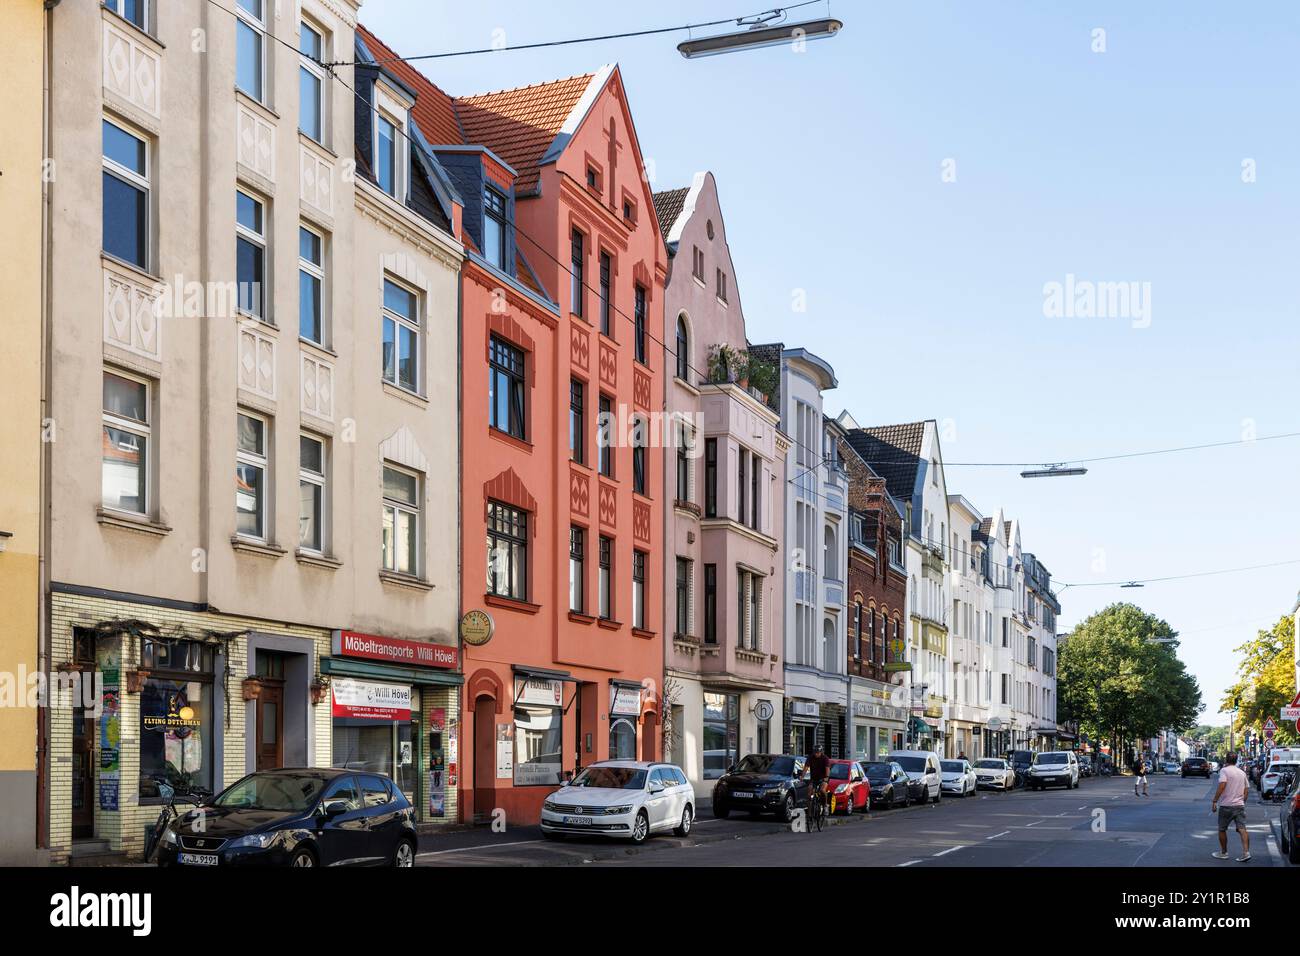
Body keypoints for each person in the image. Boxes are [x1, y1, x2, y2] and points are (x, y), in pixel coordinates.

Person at [1211, 752, 1251, 862]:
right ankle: (1246, 852)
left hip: (1226, 806)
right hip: (1239, 806)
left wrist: (1215, 800)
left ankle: (1224, 853)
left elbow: (1222, 785)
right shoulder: (1242, 772)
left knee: (1222, 829)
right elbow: (1246, 789)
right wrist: (1243, 801)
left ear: (1226, 759)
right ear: (1236, 760)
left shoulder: (1224, 771)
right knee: (1242, 829)